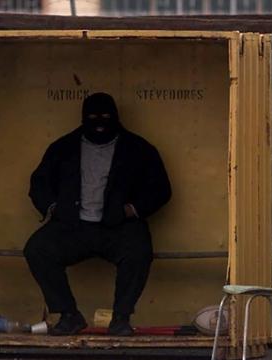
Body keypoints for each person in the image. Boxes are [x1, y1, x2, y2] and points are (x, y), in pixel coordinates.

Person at [24, 92, 172, 336]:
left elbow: (161, 189)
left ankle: (121, 318)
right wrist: (54, 208)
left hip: (118, 225)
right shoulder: (64, 148)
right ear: (83, 118)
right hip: (73, 226)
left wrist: (132, 210)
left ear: (116, 117)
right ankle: (69, 315)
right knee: (37, 248)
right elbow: (39, 183)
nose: (99, 122)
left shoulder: (137, 149)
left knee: (139, 251)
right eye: (92, 117)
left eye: (105, 116)